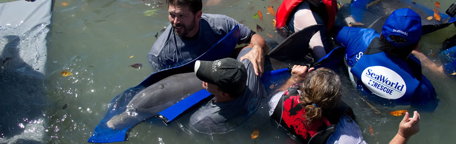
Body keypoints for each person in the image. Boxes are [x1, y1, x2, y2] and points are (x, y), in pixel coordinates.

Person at [336, 8, 438, 110]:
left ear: (381, 34)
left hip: (352, 91)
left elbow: (334, 33)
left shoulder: (360, 37)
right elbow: (431, 109)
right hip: (385, 110)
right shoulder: (422, 88)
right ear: (416, 45)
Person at [149, 0, 266, 75]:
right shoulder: (161, 54)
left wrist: (256, 47)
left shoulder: (221, 24)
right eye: (172, 15)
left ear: (198, 15)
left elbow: (254, 36)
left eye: (181, 15)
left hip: (226, 71)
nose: (175, 22)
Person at [268, 65, 358, 143]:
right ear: (336, 100)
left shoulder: (277, 101)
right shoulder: (346, 130)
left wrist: (294, 78)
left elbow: (272, 97)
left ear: (304, 87)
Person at [189, 48, 265, 134]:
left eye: (208, 79)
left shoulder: (201, 120)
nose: (204, 80)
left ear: (224, 94)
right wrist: (258, 47)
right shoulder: (248, 65)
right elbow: (252, 45)